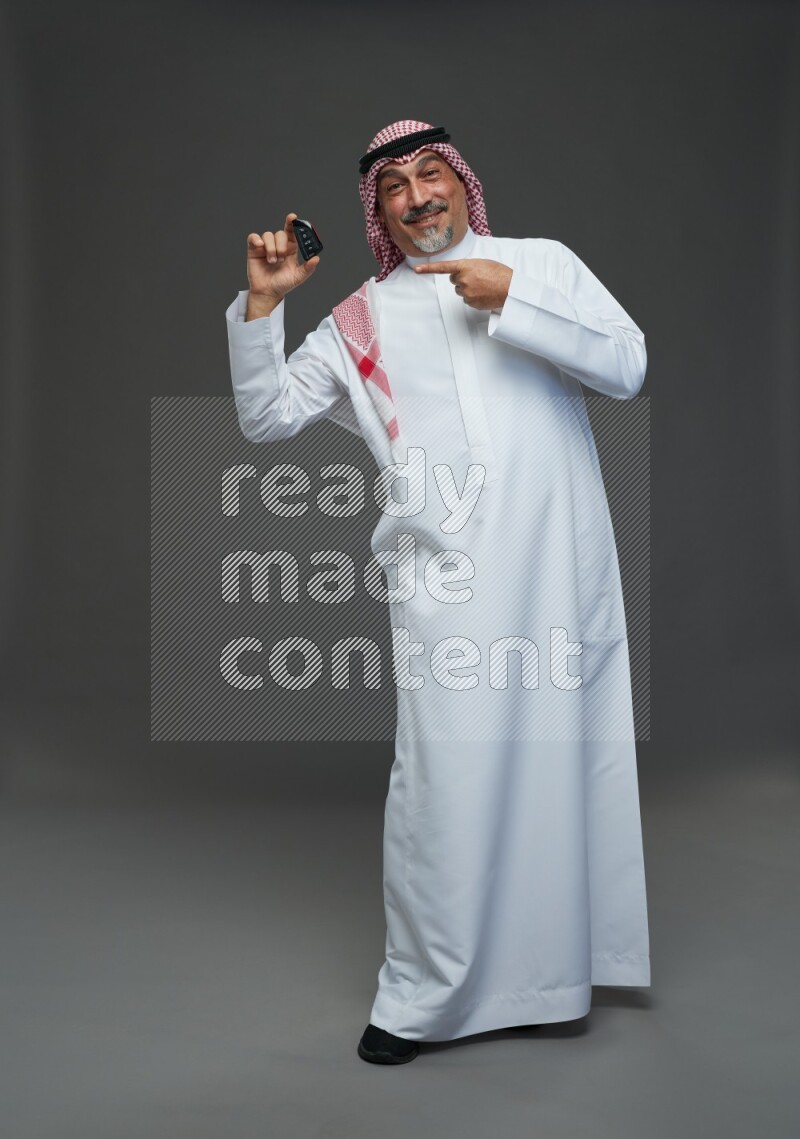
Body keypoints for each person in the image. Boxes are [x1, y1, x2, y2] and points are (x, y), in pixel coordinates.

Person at [225, 120, 651, 1065]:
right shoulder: (359, 320)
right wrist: (263, 308)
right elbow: (267, 419)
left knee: (553, 766)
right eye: (394, 188)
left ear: (462, 182)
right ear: (376, 211)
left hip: (555, 562)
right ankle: (419, 995)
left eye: (431, 175)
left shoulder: (537, 262)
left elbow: (627, 366)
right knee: (444, 781)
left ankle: (548, 981)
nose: (419, 197)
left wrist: (516, 301)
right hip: (443, 575)